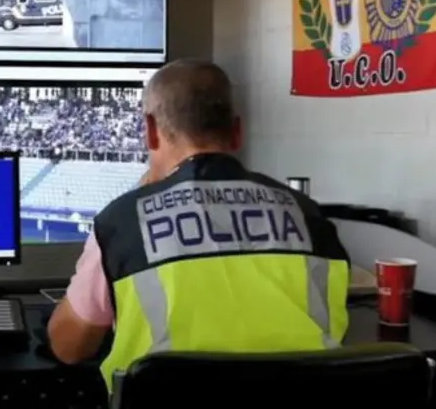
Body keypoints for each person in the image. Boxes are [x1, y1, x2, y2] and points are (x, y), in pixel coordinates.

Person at [46, 60, 351, 388]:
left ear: (150, 130)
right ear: (236, 131)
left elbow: (69, 347)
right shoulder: (309, 214)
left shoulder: (121, 223)